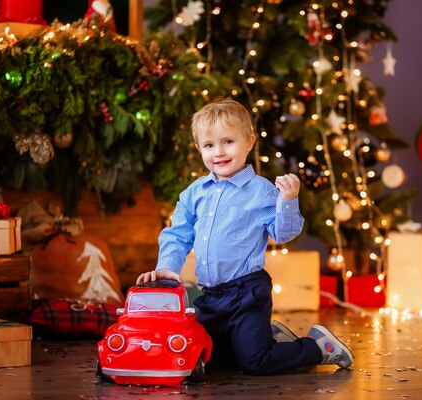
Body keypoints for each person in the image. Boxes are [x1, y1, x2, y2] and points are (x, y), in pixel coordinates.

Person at [137, 97, 353, 374]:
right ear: (198, 148)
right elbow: (177, 235)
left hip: (247, 292)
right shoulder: (194, 193)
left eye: (228, 142)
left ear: (249, 142)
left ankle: (318, 347)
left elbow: (284, 233)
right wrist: (167, 267)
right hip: (211, 296)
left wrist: (288, 200)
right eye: (209, 145)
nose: (219, 152)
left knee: (255, 363)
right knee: (210, 359)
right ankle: (271, 342)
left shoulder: (261, 191)